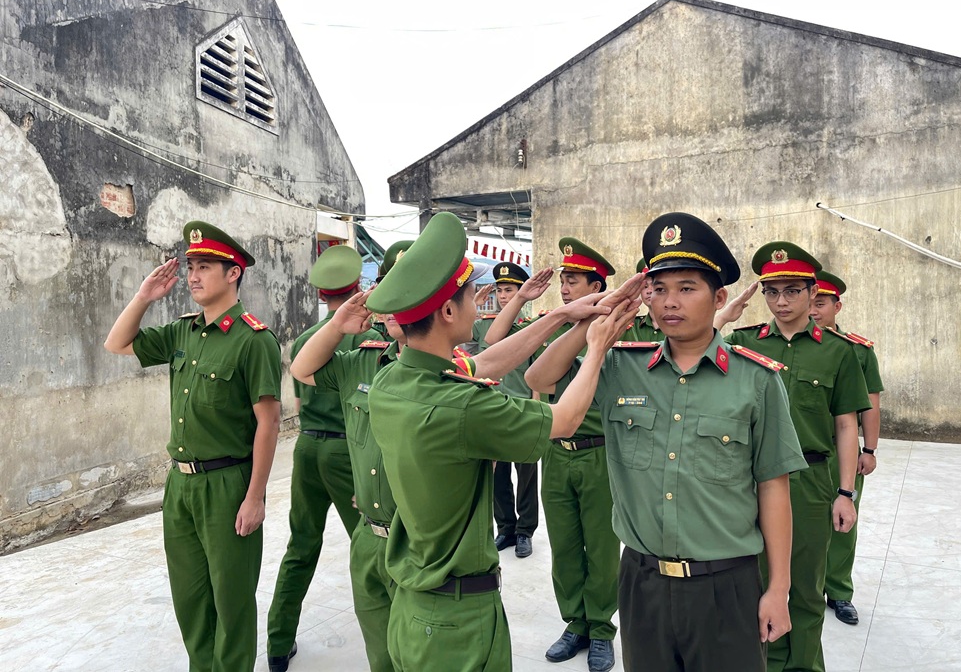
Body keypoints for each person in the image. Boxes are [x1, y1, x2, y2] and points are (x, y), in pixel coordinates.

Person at [360, 211, 642, 672]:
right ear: (448, 312)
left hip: (412, 606)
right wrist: (595, 346)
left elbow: (486, 362)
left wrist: (563, 317)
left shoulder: (393, 380)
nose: (480, 302)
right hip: (459, 623)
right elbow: (566, 418)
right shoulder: (463, 407)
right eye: (472, 294)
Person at [525, 212, 807, 672]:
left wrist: (778, 588)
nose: (669, 302)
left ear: (719, 298)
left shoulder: (756, 381)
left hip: (726, 584)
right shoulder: (620, 366)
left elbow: (773, 486)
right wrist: (591, 325)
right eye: (658, 289)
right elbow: (539, 378)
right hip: (642, 582)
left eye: (687, 288)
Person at [104, 221, 281, 672]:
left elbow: (268, 422)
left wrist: (255, 497)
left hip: (227, 484)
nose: (193, 276)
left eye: (205, 267)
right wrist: (143, 297)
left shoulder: (254, 340)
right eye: (190, 267)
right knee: (190, 599)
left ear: (233, 273)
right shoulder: (183, 332)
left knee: (231, 601)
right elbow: (117, 343)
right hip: (180, 486)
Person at [719, 242, 871, 672]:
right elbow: (689, 356)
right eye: (772, 292)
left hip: (809, 480)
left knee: (805, 588)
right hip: (750, 480)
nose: (780, 302)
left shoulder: (838, 351)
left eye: (791, 291)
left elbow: (847, 425)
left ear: (812, 292)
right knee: (755, 584)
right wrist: (723, 318)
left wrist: (846, 493)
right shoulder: (743, 343)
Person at [485, 238, 621, 672]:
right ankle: (575, 623)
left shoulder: (619, 328)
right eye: (563, 281)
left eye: (574, 281)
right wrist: (523, 300)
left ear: (597, 286)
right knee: (564, 546)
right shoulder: (554, 326)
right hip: (558, 452)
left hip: (600, 453)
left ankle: (601, 629)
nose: (564, 289)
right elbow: (493, 341)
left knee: (601, 548)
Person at [266, 245, 382, 672]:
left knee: (300, 545)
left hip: (307, 448)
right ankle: (391, 641)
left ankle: (278, 642)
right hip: (348, 452)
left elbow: (299, 402)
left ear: (321, 293)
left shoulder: (305, 340)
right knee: (372, 544)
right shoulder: (371, 337)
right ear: (358, 287)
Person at [810, 270, 883, 626]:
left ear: (836, 307)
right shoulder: (785, 346)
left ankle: (838, 591)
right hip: (801, 449)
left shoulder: (857, 350)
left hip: (843, 451)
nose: (813, 310)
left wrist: (869, 450)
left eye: (821, 303)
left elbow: (870, 404)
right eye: (810, 302)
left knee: (842, 522)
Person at [472, 262, 540, 559]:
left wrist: (537, 406)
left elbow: (538, 370)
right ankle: (506, 528)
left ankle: (525, 531)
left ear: (522, 292)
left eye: (509, 290)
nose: (502, 296)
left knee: (526, 476)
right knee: (497, 476)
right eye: (499, 290)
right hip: (492, 409)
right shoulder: (483, 326)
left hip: (522, 409)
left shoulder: (531, 327)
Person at [621, 258, 662, 343]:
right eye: (645, 286)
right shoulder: (630, 327)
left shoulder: (683, 326)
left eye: (655, 285)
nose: (649, 291)